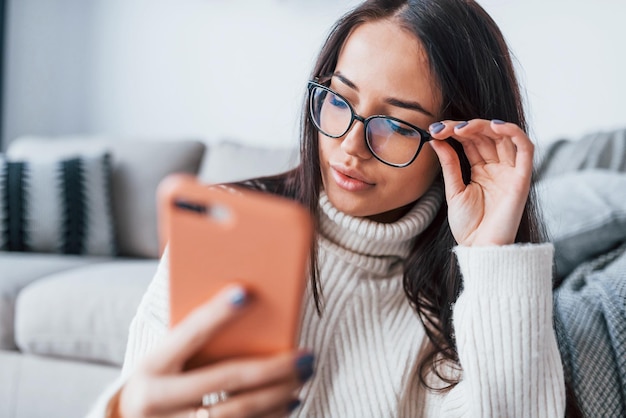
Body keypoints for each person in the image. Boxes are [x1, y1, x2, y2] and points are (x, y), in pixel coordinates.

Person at [89, 0, 574, 416]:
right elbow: (146, 386)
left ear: (457, 143)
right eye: (339, 100)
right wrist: (127, 408)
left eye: (397, 125)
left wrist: (491, 256)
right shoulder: (231, 225)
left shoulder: (468, 293)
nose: (350, 145)